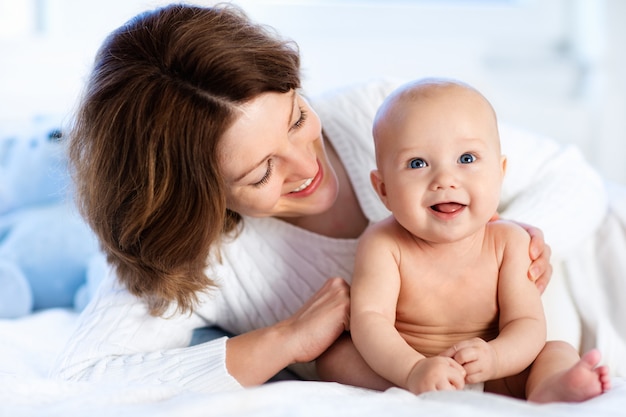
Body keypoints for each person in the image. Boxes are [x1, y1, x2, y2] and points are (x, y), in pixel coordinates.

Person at [51, 3, 606, 393]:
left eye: (296, 118)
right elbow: (85, 379)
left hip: (549, 319)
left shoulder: (379, 114)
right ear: (199, 200)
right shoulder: (201, 257)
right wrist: (285, 342)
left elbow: (575, 178)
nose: (306, 165)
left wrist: (513, 245)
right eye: (263, 170)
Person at [344, 78, 611, 402]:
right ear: (383, 189)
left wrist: (495, 357)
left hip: (497, 372)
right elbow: (371, 320)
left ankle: (547, 389)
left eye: (467, 159)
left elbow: (526, 323)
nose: (445, 179)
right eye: (417, 163)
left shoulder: (509, 242)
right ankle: (418, 387)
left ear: (500, 173)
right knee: (338, 357)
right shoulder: (383, 244)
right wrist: (413, 368)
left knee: (556, 350)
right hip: (409, 369)